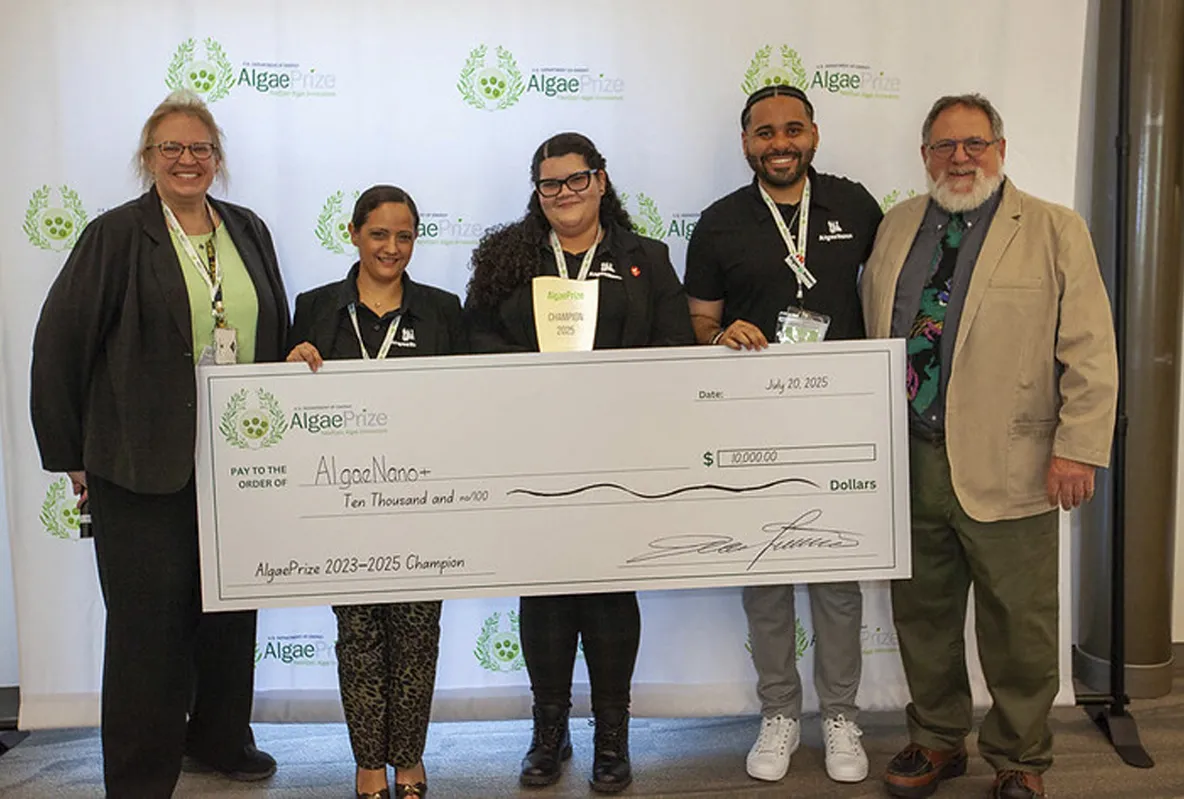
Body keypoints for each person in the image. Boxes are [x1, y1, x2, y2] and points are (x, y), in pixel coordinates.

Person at [29, 89, 286, 797]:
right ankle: (142, 777)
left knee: (230, 615)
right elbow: (60, 345)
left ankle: (219, 738)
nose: (186, 159)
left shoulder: (248, 229)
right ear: (148, 158)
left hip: (237, 463)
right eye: (171, 147)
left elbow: (269, 320)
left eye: (200, 148)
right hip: (140, 464)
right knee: (148, 630)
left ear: (218, 159)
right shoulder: (116, 235)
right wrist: (70, 451)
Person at [861, 93, 1118, 799]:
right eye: (944, 146)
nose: (960, 158)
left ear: (1000, 149)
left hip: (1017, 461)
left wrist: (1079, 447)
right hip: (911, 458)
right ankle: (937, 738)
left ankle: (1019, 755)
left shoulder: (1053, 228)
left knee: (1019, 621)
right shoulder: (896, 226)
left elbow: (1091, 350)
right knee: (922, 614)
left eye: (975, 143)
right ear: (924, 157)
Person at [464, 132, 694, 793]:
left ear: (601, 179)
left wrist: (611, 381)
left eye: (576, 179)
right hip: (533, 446)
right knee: (544, 588)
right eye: (550, 183)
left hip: (619, 449)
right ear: (536, 191)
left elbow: (674, 345)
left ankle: (613, 737)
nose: (564, 193)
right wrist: (542, 376)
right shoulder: (506, 257)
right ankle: (549, 729)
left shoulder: (646, 258)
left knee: (609, 589)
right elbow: (477, 341)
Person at [683, 84, 883, 785]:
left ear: (815, 135)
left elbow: (884, 296)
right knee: (765, 574)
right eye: (764, 132)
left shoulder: (856, 207)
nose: (780, 143)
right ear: (746, 143)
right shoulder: (719, 223)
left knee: (835, 577)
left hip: (839, 424)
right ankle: (778, 712)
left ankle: (840, 715)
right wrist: (719, 335)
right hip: (752, 425)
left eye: (792, 129)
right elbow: (700, 322)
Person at [287, 185, 465, 799]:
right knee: (358, 633)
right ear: (354, 233)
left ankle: (409, 758)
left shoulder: (444, 311)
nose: (392, 248)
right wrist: (290, 368)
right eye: (380, 234)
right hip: (344, 503)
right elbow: (289, 405)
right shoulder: (314, 308)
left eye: (405, 236)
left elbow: (469, 406)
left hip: (423, 501)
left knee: (418, 632)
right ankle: (368, 762)